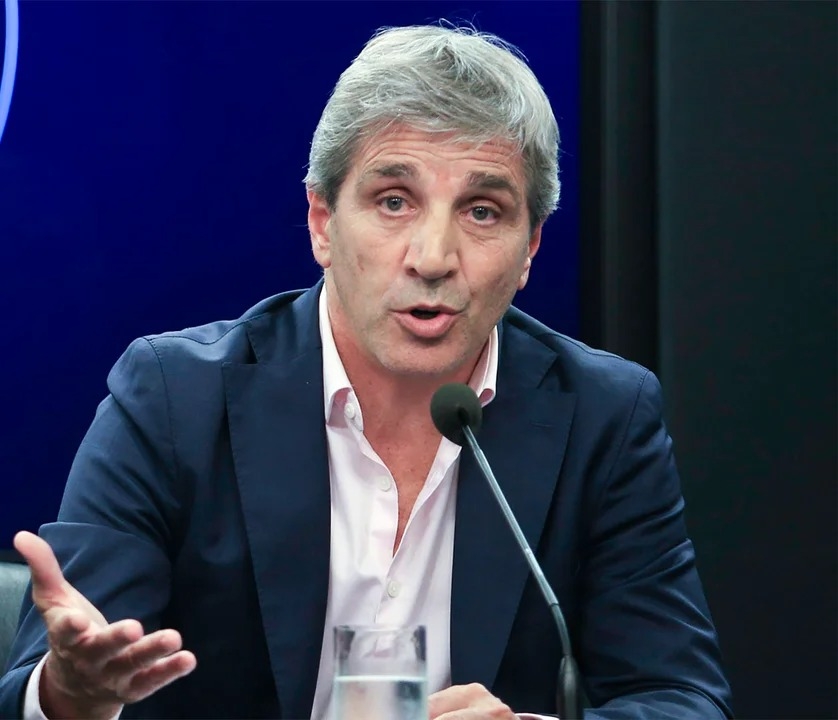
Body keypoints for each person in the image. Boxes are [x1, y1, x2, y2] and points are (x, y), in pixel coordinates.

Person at [0, 21, 733, 720]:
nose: (433, 258)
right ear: (322, 222)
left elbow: (681, 696)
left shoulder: (604, 416)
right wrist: (73, 695)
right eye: (394, 201)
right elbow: (47, 686)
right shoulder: (174, 398)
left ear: (530, 249)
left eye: (482, 211)